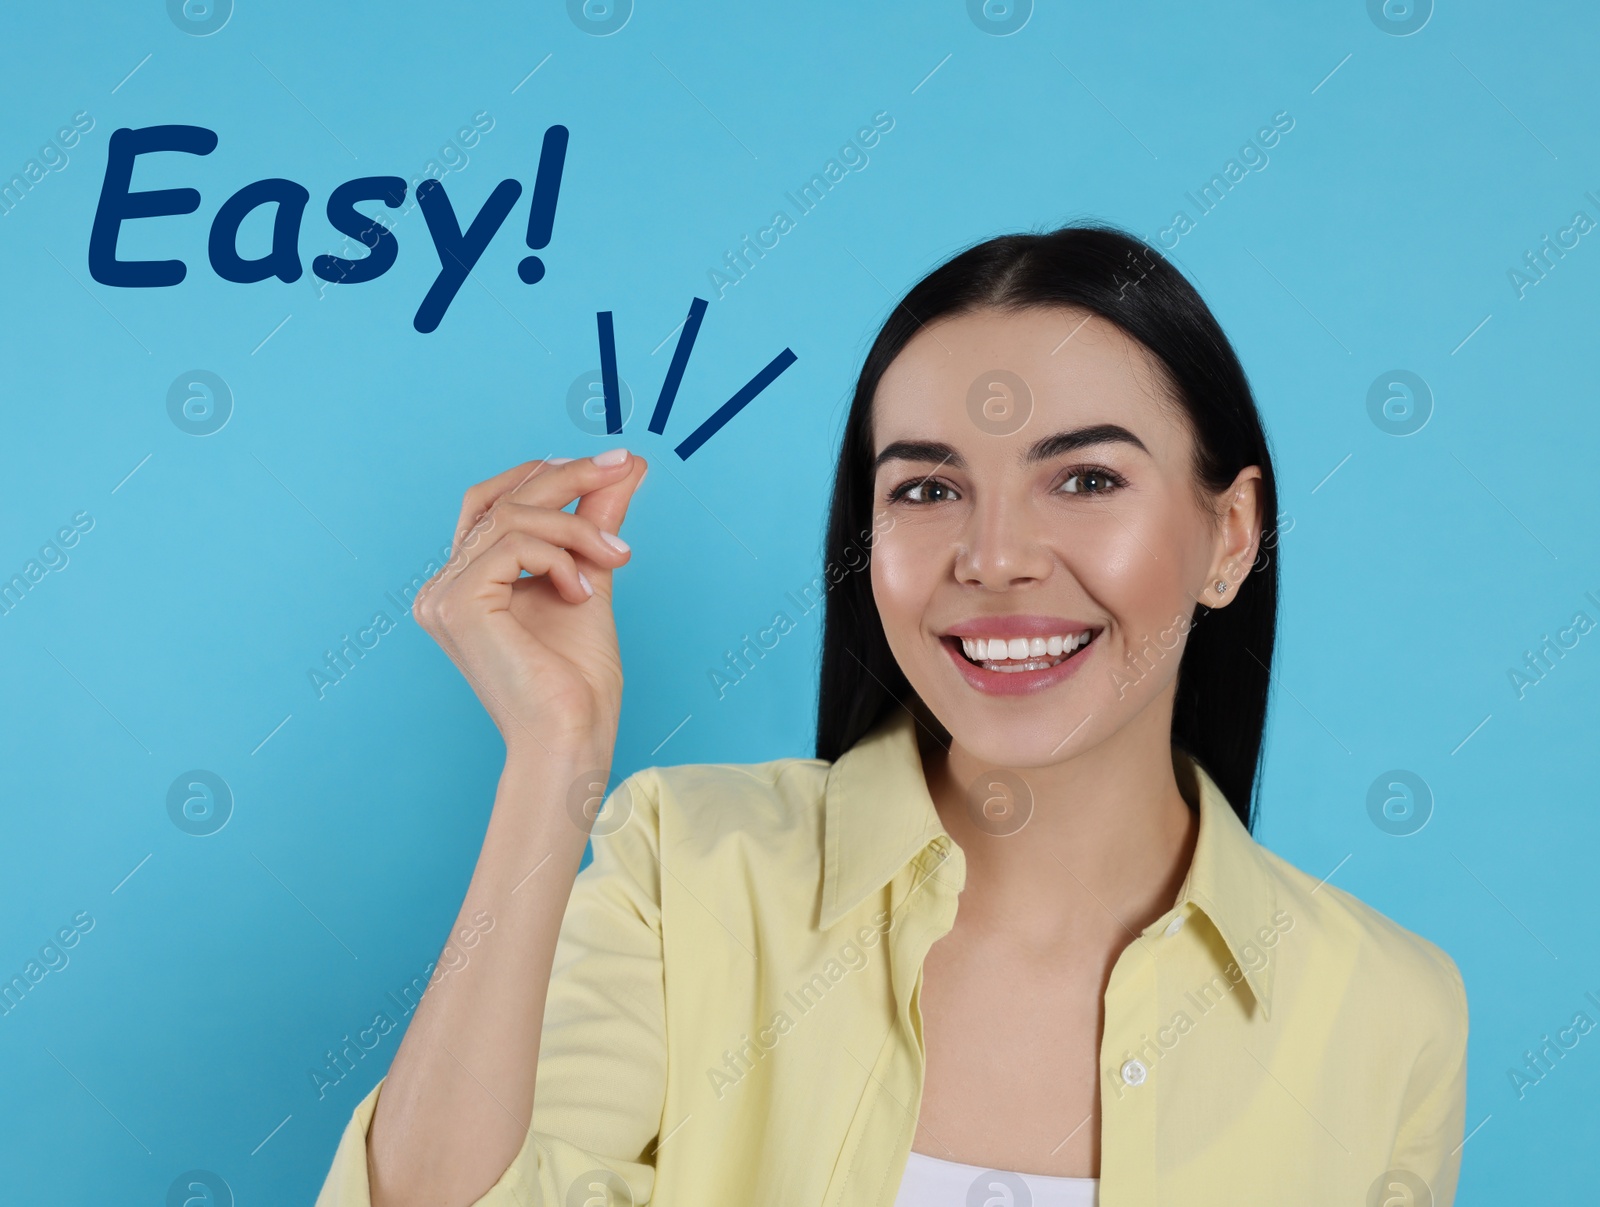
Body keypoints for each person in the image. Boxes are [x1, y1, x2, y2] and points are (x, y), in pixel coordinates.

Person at [315, 224, 1468, 1207]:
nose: (996, 557)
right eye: (926, 488)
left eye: (1084, 478)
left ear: (1229, 535)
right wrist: (549, 757)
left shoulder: (1388, 1011)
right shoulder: (689, 869)